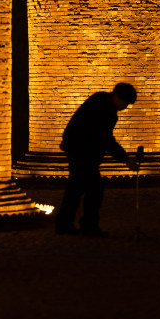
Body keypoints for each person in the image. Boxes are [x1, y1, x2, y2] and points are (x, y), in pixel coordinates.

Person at [55, 82, 139, 236]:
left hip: (80, 150)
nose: (125, 107)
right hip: (81, 152)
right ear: (118, 97)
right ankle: (86, 226)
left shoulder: (102, 102)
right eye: (125, 103)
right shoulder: (103, 109)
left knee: (76, 189)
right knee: (94, 190)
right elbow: (105, 138)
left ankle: (65, 224)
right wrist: (125, 159)